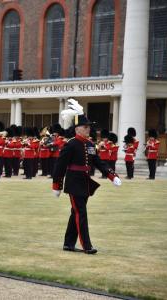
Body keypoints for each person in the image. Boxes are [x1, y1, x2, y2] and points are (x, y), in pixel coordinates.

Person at [52, 98, 122, 255]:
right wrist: (57, 185)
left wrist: (112, 175)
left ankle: (68, 244)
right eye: (85, 127)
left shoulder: (90, 145)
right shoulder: (70, 144)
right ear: (77, 129)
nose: (88, 129)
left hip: (84, 183)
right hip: (73, 183)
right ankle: (87, 245)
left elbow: (99, 162)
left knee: (75, 212)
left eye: (88, 127)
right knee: (80, 213)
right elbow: (60, 166)